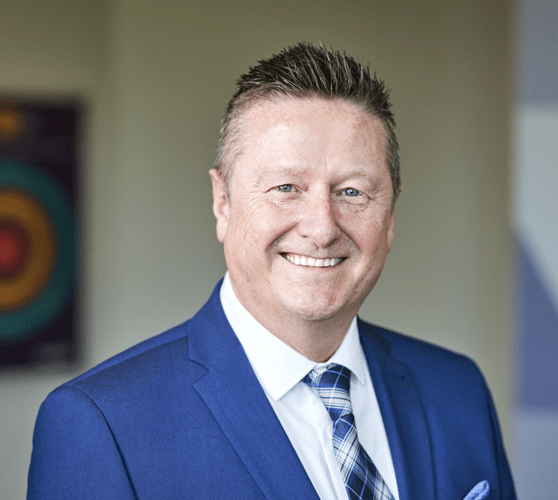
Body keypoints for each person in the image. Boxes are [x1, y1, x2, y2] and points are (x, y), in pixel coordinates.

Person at [28, 43, 516, 500]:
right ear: (223, 202)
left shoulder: (458, 390)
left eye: (352, 192)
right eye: (286, 187)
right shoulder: (99, 424)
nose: (322, 229)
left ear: (389, 217)